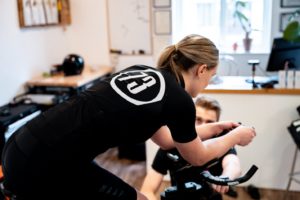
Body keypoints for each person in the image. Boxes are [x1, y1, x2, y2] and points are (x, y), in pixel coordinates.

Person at [1, 34, 256, 200]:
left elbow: (167, 140)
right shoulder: (179, 99)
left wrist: (217, 128)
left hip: (21, 145)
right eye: (211, 77)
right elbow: (197, 155)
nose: (208, 84)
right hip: (46, 164)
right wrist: (235, 136)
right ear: (201, 69)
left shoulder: (144, 74)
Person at [140, 95, 241, 200]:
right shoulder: (172, 144)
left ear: (217, 125)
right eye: (198, 120)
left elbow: (233, 163)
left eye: (210, 122)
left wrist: (226, 176)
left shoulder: (221, 142)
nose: (204, 126)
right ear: (190, 119)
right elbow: (147, 190)